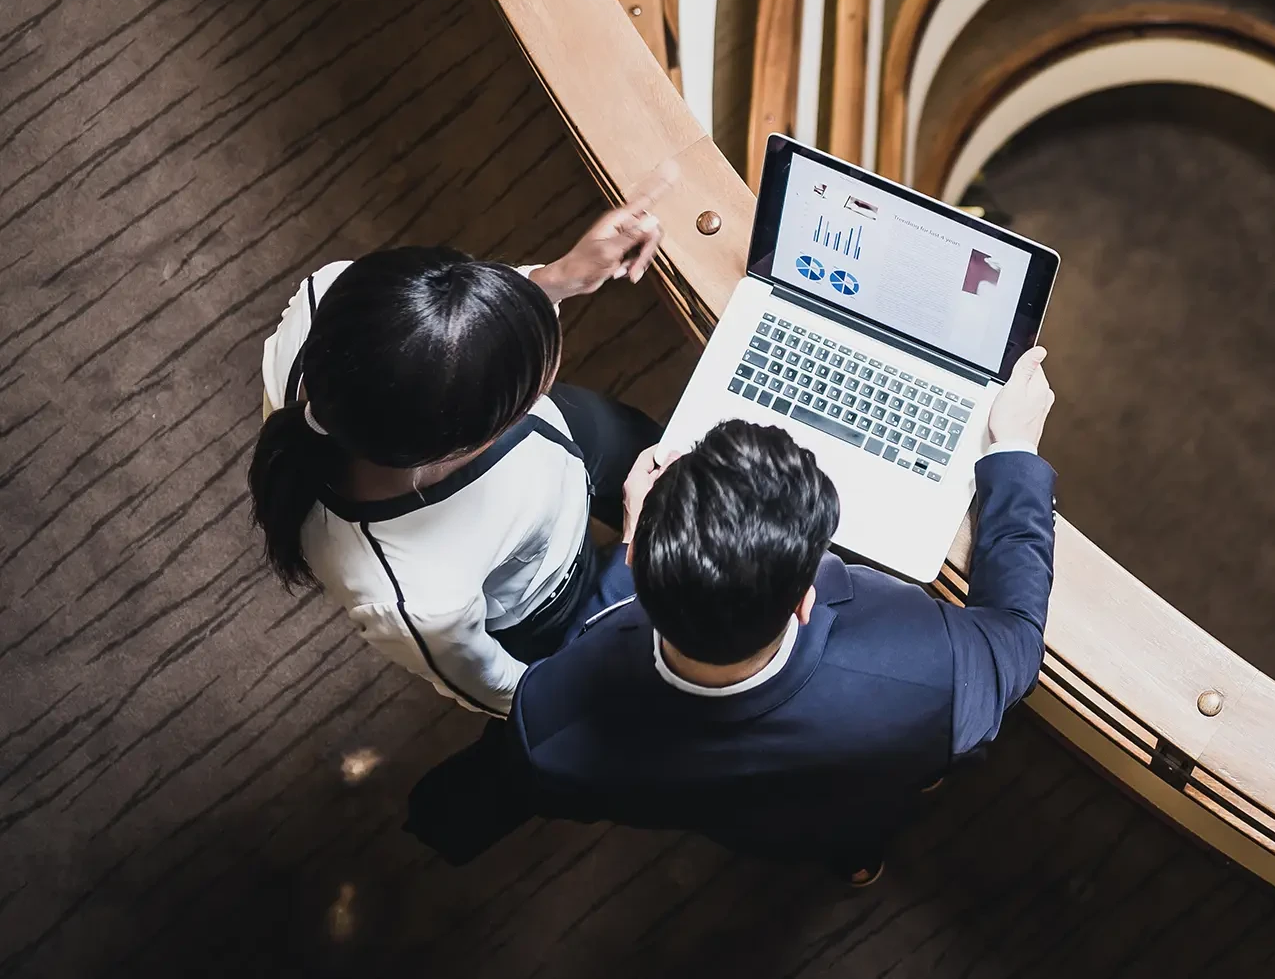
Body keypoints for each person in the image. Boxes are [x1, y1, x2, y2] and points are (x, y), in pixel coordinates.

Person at [405, 348, 1060, 882]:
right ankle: (858, 860)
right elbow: (1015, 637)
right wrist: (1013, 450)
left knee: (788, 829)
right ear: (804, 600)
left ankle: (851, 860)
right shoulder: (930, 674)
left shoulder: (553, 717)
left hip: (741, 823)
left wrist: (636, 542)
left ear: (635, 563)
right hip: (855, 790)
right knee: (856, 822)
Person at [248, 199, 668, 716]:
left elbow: (437, 338)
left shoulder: (329, 294)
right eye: (533, 390)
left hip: (566, 441)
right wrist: (631, 558)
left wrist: (554, 280)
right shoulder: (419, 599)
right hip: (549, 592)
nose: (550, 373)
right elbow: (525, 696)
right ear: (461, 444)